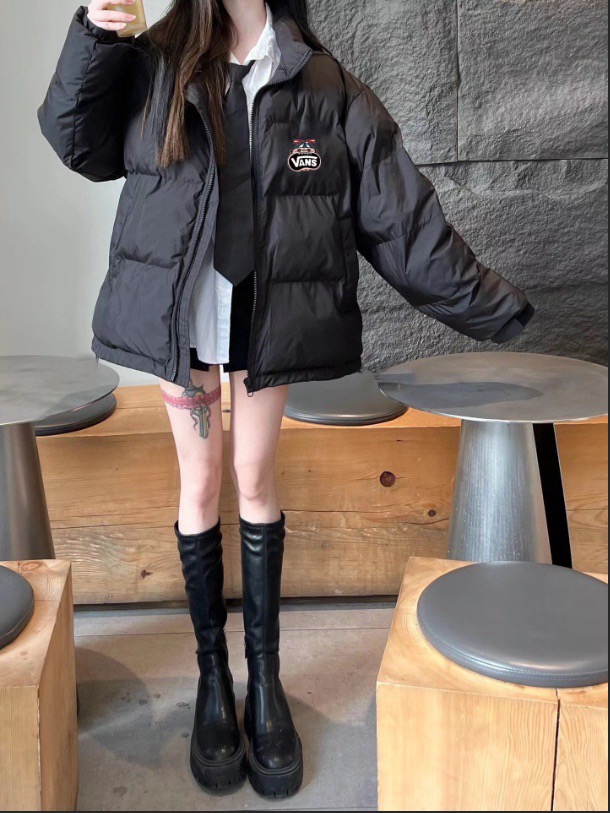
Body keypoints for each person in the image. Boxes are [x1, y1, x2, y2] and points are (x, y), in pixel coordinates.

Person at [38, 0, 534, 798]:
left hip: (265, 322)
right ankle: (213, 680)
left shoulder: (320, 80)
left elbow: (401, 219)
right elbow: (76, 140)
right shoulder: (153, 62)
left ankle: (265, 683)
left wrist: (498, 309)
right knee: (200, 484)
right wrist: (94, 35)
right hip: (178, 320)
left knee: (256, 479)